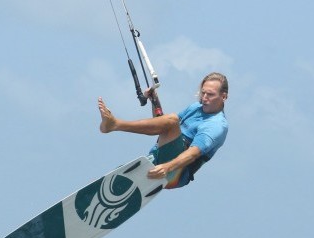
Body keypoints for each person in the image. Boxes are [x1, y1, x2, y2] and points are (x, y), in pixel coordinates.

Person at [98, 72, 229, 189]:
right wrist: (155, 101)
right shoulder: (196, 107)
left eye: (210, 94)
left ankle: (115, 124)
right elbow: (163, 127)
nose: (204, 97)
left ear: (223, 97)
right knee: (171, 121)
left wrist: (167, 167)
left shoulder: (216, 125)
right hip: (158, 157)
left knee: (172, 120)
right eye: (203, 92)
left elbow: (192, 154)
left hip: (176, 172)